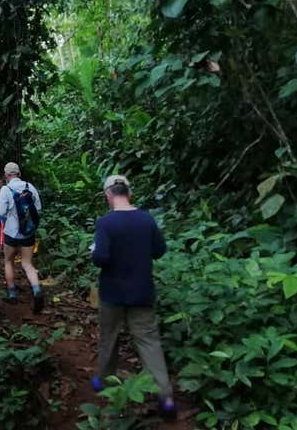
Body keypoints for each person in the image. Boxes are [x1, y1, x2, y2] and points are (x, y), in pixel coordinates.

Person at [90, 175, 176, 421]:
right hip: (142, 292)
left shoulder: (105, 223)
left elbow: (101, 258)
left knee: (109, 338)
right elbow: (159, 250)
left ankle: (105, 382)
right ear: (129, 193)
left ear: (108, 195)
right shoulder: (146, 219)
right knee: (149, 342)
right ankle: (166, 397)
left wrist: (96, 251)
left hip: (113, 293)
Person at [0, 162, 43, 313]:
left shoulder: (5, 189)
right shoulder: (30, 187)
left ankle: (11, 293)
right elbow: (38, 209)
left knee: (8, 262)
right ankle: (36, 291)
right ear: (19, 173)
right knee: (27, 264)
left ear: (6, 174)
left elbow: (1, 213)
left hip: (10, 233)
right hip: (28, 233)